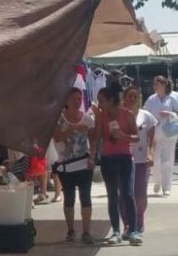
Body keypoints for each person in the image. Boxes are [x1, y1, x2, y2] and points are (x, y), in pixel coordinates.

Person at [93, 85, 142, 245]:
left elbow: (136, 137)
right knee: (112, 196)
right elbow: (97, 138)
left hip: (125, 158)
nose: (99, 104)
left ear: (111, 100)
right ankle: (116, 231)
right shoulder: (101, 117)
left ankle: (133, 231)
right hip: (108, 159)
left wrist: (123, 136)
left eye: (102, 100)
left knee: (128, 194)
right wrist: (92, 155)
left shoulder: (127, 114)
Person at [52, 87, 96, 244]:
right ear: (67, 101)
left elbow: (93, 140)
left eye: (79, 98)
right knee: (69, 198)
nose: (77, 102)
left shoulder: (87, 119)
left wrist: (92, 157)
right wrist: (72, 129)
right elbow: (57, 137)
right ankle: (70, 230)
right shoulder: (59, 119)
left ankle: (86, 232)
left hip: (84, 164)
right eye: (74, 99)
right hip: (66, 165)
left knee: (86, 197)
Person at [121, 86, 157, 236]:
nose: (132, 99)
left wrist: (151, 154)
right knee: (125, 194)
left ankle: (139, 221)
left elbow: (152, 138)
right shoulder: (120, 115)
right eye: (129, 96)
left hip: (141, 160)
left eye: (135, 97)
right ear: (124, 98)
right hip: (123, 158)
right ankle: (127, 225)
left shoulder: (146, 116)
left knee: (140, 192)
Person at [144, 76, 178, 197]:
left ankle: (167, 186)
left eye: (157, 84)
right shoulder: (151, 99)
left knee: (168, 160)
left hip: (169, 132)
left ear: (163, 85)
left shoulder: (172, 98)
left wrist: (170, 113)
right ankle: (157, 181)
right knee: (155, 159)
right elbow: (145, 114)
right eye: (154, 84)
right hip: (155, 132)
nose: (155, 87)